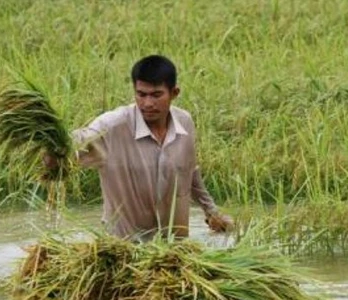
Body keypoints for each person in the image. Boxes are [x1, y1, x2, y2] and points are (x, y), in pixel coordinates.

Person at [45, 55, 233, 241]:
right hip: (125, 252)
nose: (148, 103)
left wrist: (212, 212)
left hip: (176, 253)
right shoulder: (111, 128)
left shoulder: (185, 123)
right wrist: (52, 147)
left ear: (174, 93)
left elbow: (189, 171)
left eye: (156, 95)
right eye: (141, 94)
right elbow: (72, 145)